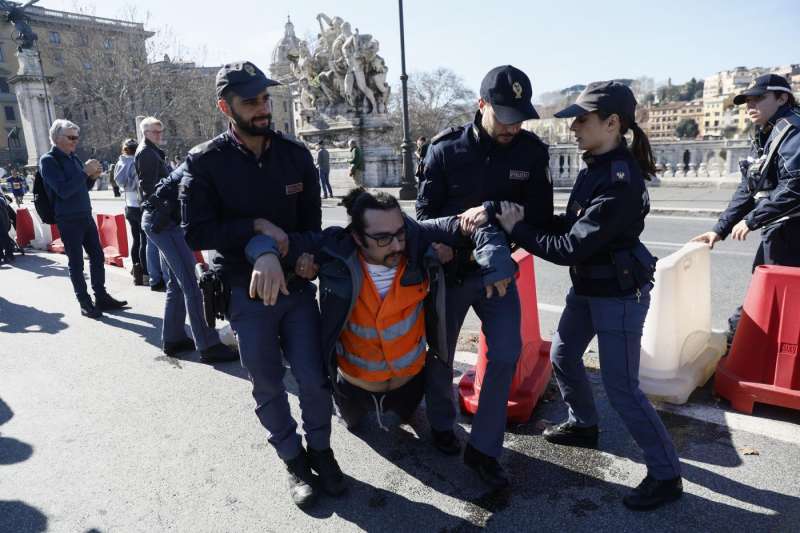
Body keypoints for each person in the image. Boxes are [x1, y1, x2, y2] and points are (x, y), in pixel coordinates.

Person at [492, 81, 682, 511]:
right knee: (562, 354)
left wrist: (517, 230)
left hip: (617, 292)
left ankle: (667, 475)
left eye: (582, 119)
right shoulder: (596, 165)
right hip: (591, 285)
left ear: (612, 123)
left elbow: (570, 248)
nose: (574, 127)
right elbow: (572, 225)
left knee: (622, 389)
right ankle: (583, 424)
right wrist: (528, 221)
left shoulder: (619, 180)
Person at [181, 61, 345, 509]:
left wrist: (304, 255)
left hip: (296, 288)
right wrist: (256, 231)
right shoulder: (204, 161)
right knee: (268, 382)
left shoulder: (295, 155)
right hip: (242, 292)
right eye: (250, 101)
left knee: (313, 379)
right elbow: (197, 233)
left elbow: (314, 228)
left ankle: (323, 453)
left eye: (265, 99)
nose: (262, 108)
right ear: (225, 107)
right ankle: (293, 460)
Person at [251, 188, 514, 434]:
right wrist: (265, 255)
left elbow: (476, 225)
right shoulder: (332, 249)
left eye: (400, 233)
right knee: (354, 427)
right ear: (357, 237)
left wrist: (495, 263)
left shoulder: (417, 240)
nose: (397, 246)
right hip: (352, 391)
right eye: (383, 239)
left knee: (413, 421)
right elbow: (272, 242)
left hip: (410, 388)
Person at [415, 65, 552, 489]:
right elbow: (423, 217)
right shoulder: (444, 150)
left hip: (499, 275)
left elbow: (542, 216)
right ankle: (441, 424)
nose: (514, 126)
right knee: (440, 353)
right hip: (451, 272)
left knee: (507, 353)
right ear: (482, 106)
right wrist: (449, 235)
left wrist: (492, 210)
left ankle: (485, 448)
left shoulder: (532, 153)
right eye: (506, 115)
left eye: (520, 116)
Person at [691, 73, 800, 341]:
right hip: (780, 229)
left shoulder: (792, 130)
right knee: (766, 294)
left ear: (782, 97)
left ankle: (737, 349)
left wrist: (753, 220)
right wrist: (719, 228)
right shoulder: (768, 132)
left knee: (769, 296)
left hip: (791, 231)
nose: (750, 106)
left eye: (759, 99)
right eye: (747, 101)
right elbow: (748, 187)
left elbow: (796, 184)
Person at [141, 163, 239, 363]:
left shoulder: (199, 161)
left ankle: (173, 339)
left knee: (176, 284)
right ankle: (208, 345)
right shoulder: (206, 167)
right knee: (192, 285)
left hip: (159, 219)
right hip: (165, 223)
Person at [39, 119, 128, 319]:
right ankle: (84, 301)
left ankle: (101, 296)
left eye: (76, 138)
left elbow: (81, 187)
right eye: (71, 137)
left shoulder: (73, 158)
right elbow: (62, 191)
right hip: (68, 219)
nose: (75, 141)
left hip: (85, 215)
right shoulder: (48, 160)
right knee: (76, 262)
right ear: (57, 138)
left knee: (97, 257)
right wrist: (84, 173)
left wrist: (92, 177)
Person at [135, 116, 170, 292]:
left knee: (154, 245)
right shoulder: (147, 153)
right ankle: (163, 279)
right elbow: (147, 185)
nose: (159, 134)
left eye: (161, 131)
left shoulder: (150, 150)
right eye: (156, 131)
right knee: (163, 246)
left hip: (153, 206)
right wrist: (163, 207)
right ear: (146, 133)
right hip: (156, 207)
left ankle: (156, 279)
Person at [113, 139, 147, 286]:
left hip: (128, 205)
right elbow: (138, 183)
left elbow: (118, 182)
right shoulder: (136, 162)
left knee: (136, 239)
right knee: (144, 240)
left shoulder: (120, 163)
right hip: (139, 204)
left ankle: (136, 270)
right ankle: (145, 272)